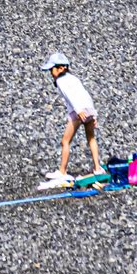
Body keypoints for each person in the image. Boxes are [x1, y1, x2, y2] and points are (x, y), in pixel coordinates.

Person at [43, 52, 100, 187]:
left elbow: (70, 96)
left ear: (61, 68)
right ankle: (97, 168)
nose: (51, 73)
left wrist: (78, 110)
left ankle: (62, 172)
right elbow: (85, 94)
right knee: (91, 138)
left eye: (52, 69)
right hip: (88, 108)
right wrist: (94, 114)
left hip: (78, 111)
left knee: (65, 141)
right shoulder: (73, 78)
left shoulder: (60, 81)